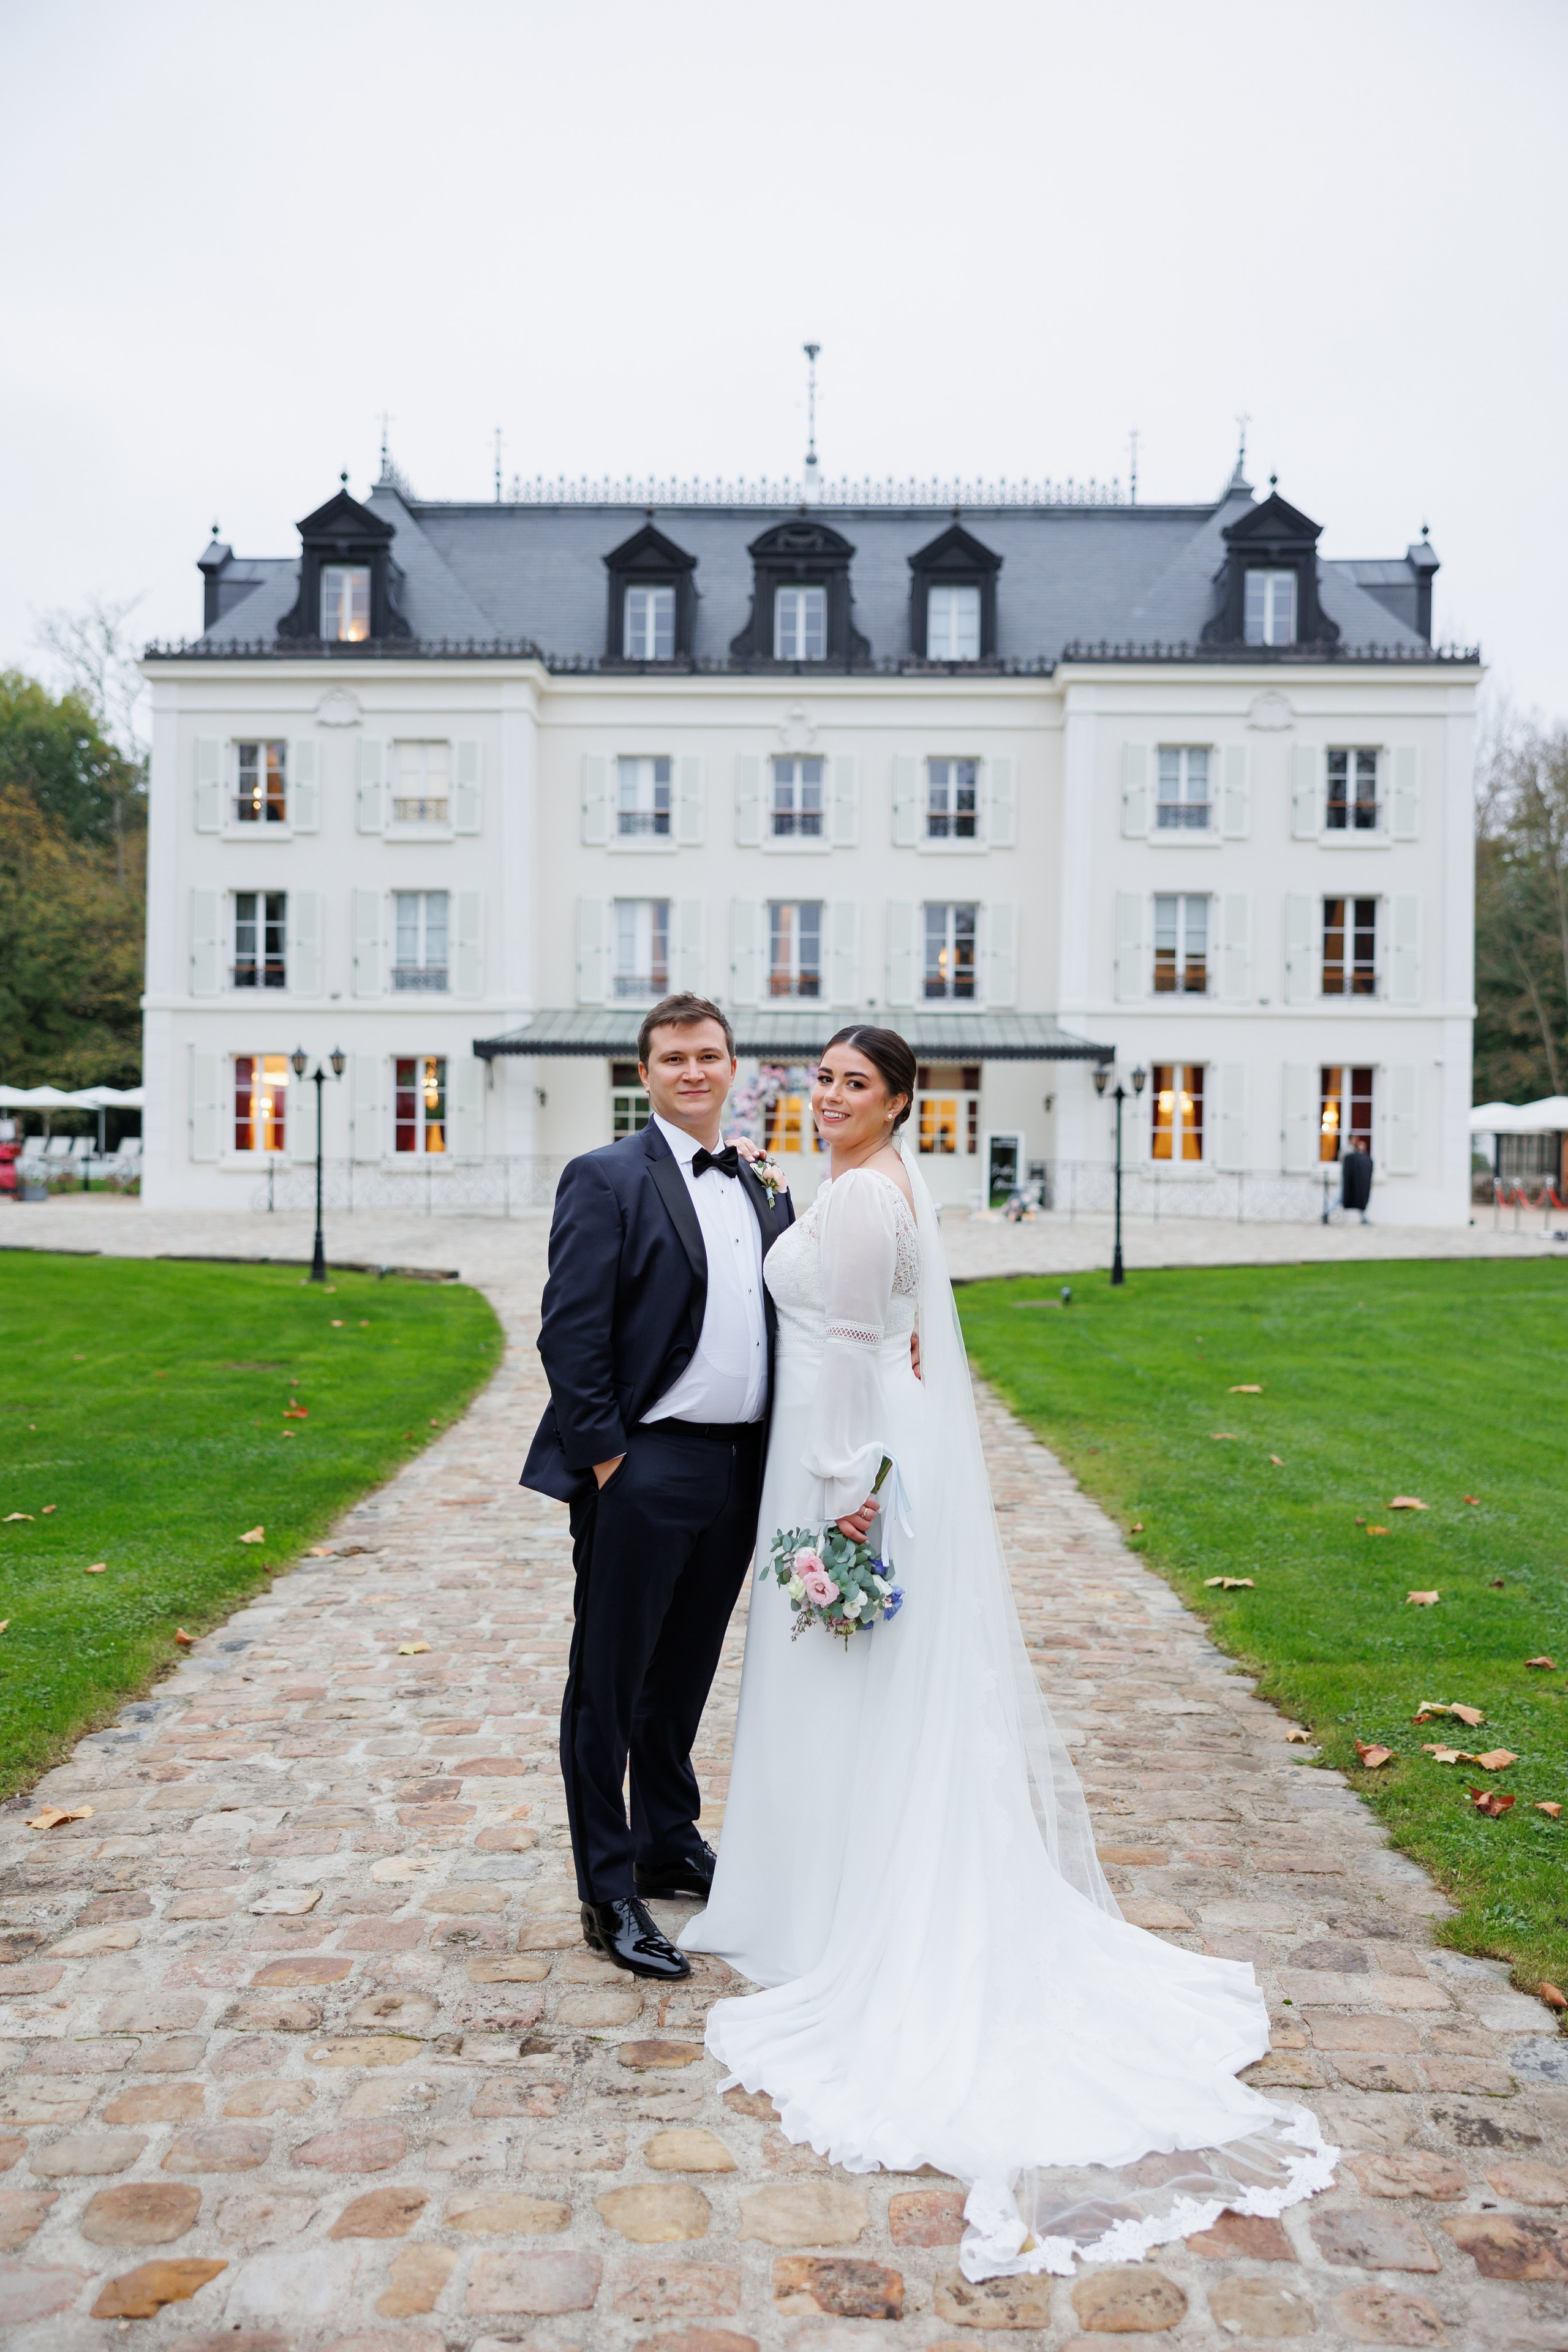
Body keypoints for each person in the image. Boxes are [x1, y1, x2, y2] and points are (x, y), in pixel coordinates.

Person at [681, 1025, 1336, 2282]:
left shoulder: (869, 1196)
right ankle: (813, 1886)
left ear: (897, 1104)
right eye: (818, 1078)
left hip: (844, 1462)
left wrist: (842, 1493)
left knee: (845, 1679)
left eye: (852, 1084)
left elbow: (865, 1353)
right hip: (843, 1446)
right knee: (842, 1690)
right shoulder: (855, 1183)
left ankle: (826, 1909)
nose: (828, 1097)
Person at [522, 994, 794, 1981]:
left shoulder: (765, 1180)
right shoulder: (606, 1177)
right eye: (672, 1058)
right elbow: (570, 1328)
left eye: (708, 1055)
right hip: (644, 1465)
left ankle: (668, 1840)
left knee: (683, 1673)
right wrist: (606, 1460)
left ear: (733, 1067)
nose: (692, 1071)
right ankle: (608, 1887)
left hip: (737, 1468)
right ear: (646, 1074)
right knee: (610, 1681)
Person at [1341, 1136, 1374, 1223]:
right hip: (1347, 1180)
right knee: (1341, 1197)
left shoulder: (1360, 1156)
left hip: (1355, 1181)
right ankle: (1328, 1212)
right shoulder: (1348, 1152)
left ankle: (1364, 1218)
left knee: (1359, 1198)